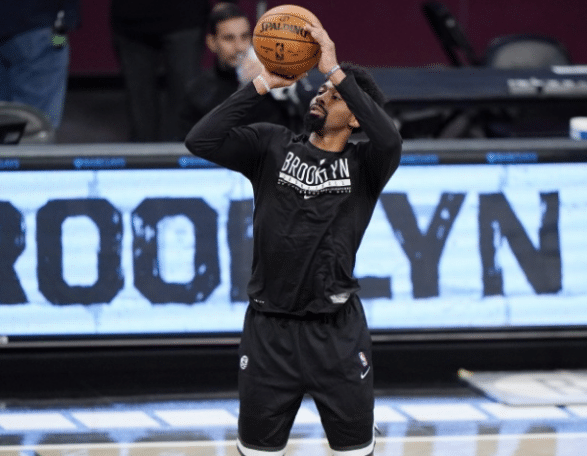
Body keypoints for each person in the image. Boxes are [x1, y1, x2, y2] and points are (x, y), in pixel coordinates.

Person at [185, 19, 402, 456]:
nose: (322, 95)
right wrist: (261, 84)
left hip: (337, 333)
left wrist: (335, 70)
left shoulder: (366, 166)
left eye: (335, 96)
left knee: (354, 451)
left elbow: (390, 138)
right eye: (321, 90)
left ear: (356, 117)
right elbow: (200, 140)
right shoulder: (271, 145)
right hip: (270, 331)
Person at [178, 3, 313, 139]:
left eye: (244, 37)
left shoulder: (269, 79)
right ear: (212, 42)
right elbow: (188, 144)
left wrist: (274, 83)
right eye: (229, 38)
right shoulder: (197, 91)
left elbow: (304, 122)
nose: (239, 47)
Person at [111, 0, 233, 142]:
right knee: (141, 119)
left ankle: (182, 152)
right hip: (130, 19)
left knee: (185, 112)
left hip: (185, 15)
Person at [0, 0, 80, 129]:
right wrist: (62, 29)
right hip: (41, 24)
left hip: (3, 26)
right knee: (34, 122)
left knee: (0, 115)